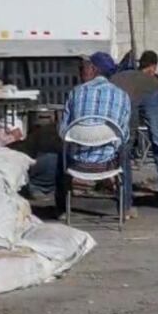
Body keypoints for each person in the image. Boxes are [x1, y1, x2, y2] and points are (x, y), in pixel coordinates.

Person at [56, 53, 132, 220]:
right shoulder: (122, 95)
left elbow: (63, 132)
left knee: (60, 152)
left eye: (84, 67)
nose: (81, 70)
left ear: (93, 69)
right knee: (125, 148)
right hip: (108, 163)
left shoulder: (76, 93)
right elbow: (123, 135)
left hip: (78, 162)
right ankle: (125, 207)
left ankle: (62, 208)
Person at [111, 50, 158, 203]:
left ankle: (121, 188)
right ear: (153, 67)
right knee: (156, 136)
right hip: (148, 95)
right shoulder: (154, 82)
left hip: (124, 106)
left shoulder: (122, 77)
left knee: (124, 145)